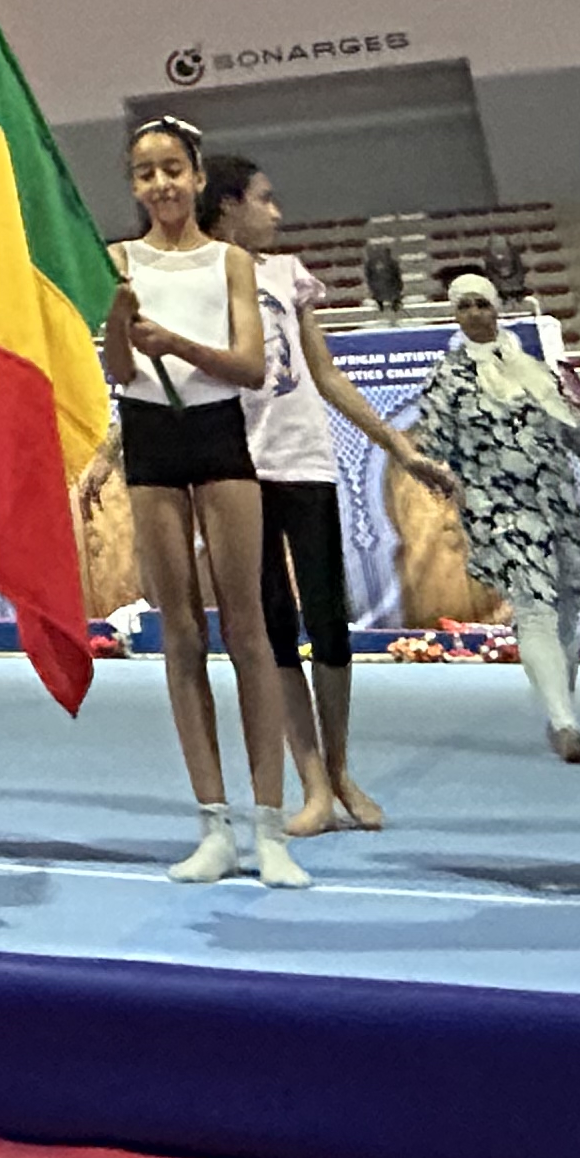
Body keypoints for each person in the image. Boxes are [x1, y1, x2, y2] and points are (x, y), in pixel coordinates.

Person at [66, 120, 308, 888]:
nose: (161, 184)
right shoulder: (118, 261)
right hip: (150, 440)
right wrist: (119, 325)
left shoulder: (231, 261)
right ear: (133, 186)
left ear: (198, 177)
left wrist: (177, 344)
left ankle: (270, 825)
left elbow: (250, 365)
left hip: (217, 434)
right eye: (145, 173)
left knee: (247, 628)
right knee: (179, 634)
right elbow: (118, 370)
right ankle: (214, 825)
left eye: (173, 168)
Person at [216, 155, 447, 837]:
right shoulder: (202, 277)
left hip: (304, 462)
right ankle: (313, 781)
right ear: (228, 204)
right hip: (238, 469)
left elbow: (327, 375)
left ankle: (341, 768)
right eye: (264, 199)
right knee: (275, 629)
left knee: (328, 623)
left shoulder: (287, 274)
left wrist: (400, 447)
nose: (276, 212)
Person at [410, 274, 580, 766]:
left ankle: (560, 712)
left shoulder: (537, 371)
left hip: (556, 503)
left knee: (565, 610)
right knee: (535, 605)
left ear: (496, 308)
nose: (475, 313)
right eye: (465, 306)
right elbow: (430, 447)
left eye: (482, 304)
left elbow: (579, 429)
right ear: (455, 315)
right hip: (498, 507)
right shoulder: (446, 380)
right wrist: (440, 478)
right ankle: (565, 725)